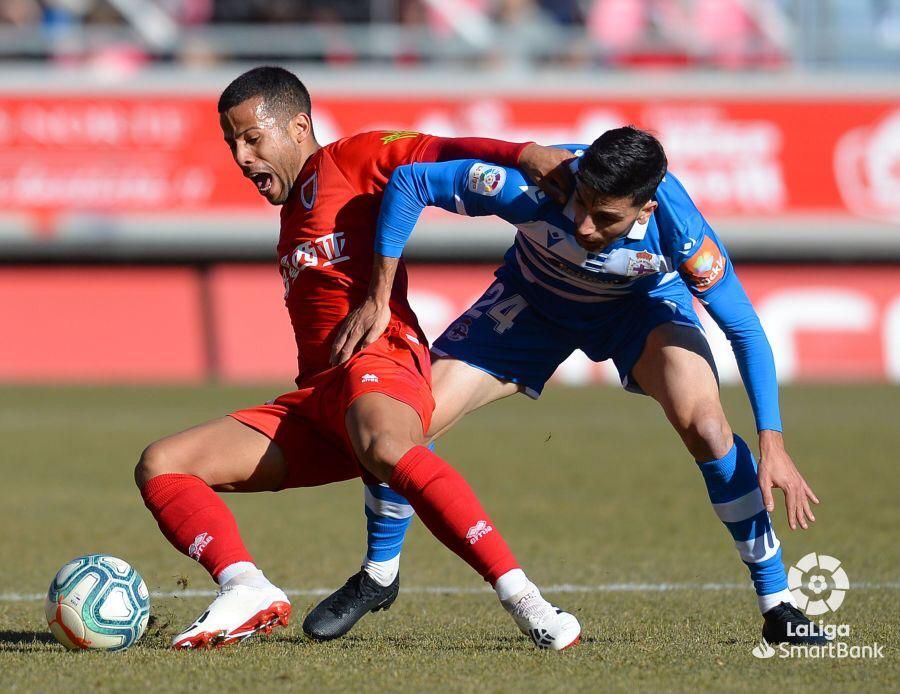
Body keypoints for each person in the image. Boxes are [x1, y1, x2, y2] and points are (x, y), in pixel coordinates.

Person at [305, 127, 827, 646]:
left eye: (606, 217)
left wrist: (772, 443)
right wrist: (377, 297)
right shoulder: (537, 184)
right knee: (401, 418)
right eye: (582, 203)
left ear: (645, 210)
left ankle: (778, 603)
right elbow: (411, 182)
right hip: (531, 305)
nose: (582, 224)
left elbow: (745, 330)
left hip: (638, 311)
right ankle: (379, 573)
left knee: (708, 426)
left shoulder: (682, 231)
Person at [133, 66, 581, 651]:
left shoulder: (352, 158)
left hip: (382, 360)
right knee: (163, 464)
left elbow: (443, 148)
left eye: (251, 138)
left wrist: (523, 153)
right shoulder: (292, 214)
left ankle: (525, 599)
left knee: (389, 445)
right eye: (231, 143)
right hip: (319, 400)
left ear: (298, 126)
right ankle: (245, 587)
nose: (241, 157)